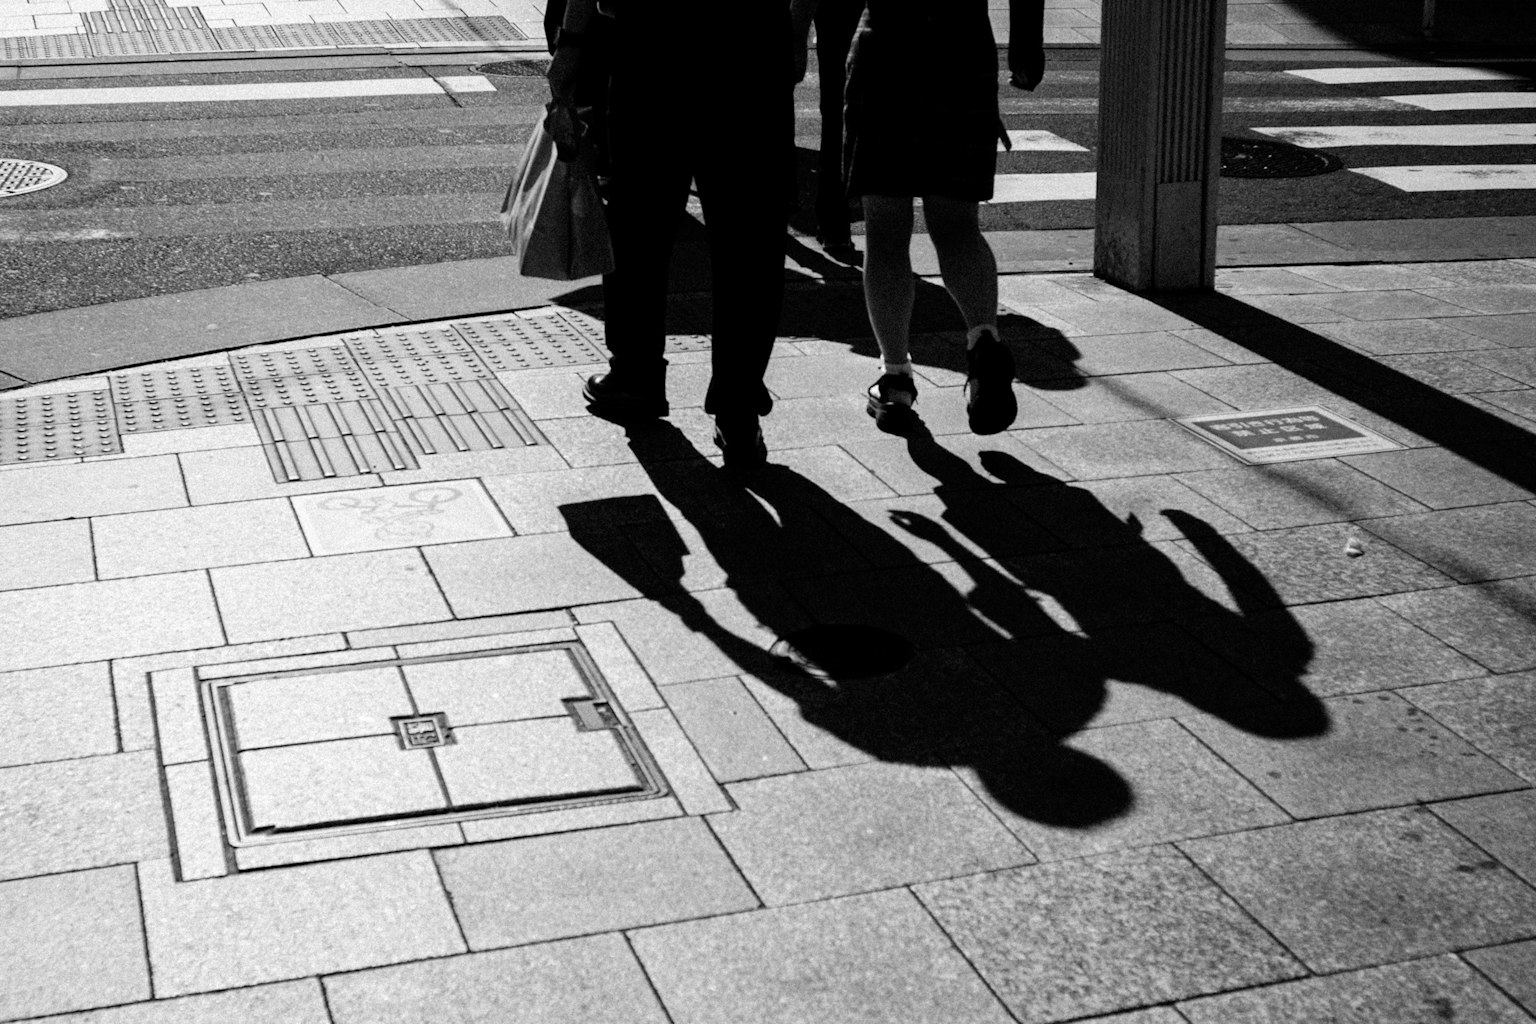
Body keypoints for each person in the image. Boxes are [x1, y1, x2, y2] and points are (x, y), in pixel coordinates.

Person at [548, 0, 816, 471]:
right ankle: (737, 406)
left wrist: (571, 43)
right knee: (750, 234)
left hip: (654, 38)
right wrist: (796, 29)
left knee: (640, 219)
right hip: (751, 43)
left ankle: (635, 374)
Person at [844, 0, 1045, 436]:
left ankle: (896, 379)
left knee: (886, 231)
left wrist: (797, 27)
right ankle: (984, 341)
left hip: (886, 48)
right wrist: (1026, 45)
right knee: (957, 226)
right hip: (962, 50)